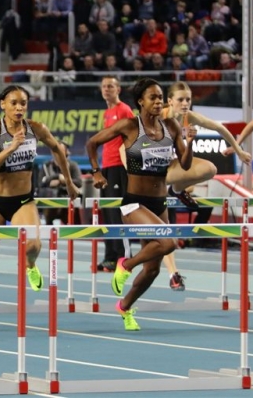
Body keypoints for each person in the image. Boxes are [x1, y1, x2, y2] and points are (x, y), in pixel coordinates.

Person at [0, 85, 79, 333]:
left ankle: (30, 265)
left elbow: (57, 149)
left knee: (34, 246)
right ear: (2, 104)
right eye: (14, 103)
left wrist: (69, 182)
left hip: (23, 200)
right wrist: (11, 147)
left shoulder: (36, 128)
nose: (19, 108)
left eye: (23, 103)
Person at [86, 78, 196, 331]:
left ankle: (124, 307)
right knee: (168, 243)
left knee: (153, 270)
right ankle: (125, 264)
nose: (158, 102)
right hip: (134, 203)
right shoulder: (129, 126)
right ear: (140, 102)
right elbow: (92, 143)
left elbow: (186, 163)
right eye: (152, 98)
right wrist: (96, 172)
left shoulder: (171, 126)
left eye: (160, 98)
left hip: (159, 203)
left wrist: (190, 142)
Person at [159, 82, 252, 291]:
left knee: (210, 169)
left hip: (169, 169)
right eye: (180, 100)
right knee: (164, 229)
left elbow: (220, 128)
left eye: (188, 99)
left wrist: (238, 150)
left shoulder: (188, 117)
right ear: (170, 101)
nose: (185, 103)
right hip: (150, 173)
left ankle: (176, 190)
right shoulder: (156, 117)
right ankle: (173, 273)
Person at [97, 76, 134, 272]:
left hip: (120, 167)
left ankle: (123, 257)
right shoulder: (107, 112)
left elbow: (132, 137)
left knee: (118, 214)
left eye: (110, 86)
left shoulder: (124, 110)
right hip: (107, 166)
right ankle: (110, 257)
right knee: (108, 213)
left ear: (118, 89)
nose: (106, 89)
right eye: (104, 86)